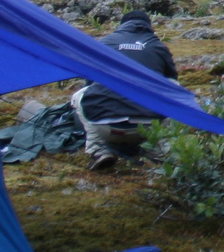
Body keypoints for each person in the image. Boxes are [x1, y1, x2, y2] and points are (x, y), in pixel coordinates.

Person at [70, 9, 178, 170]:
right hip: (146, 128)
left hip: (105, 127)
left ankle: (98, 150)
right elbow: (173, 81)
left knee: (80, 95)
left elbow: (90, 82)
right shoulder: (157, 46)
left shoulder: (105, 43)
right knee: (174, 92)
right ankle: (159, 150)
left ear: (122, 26)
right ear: (148, 26)